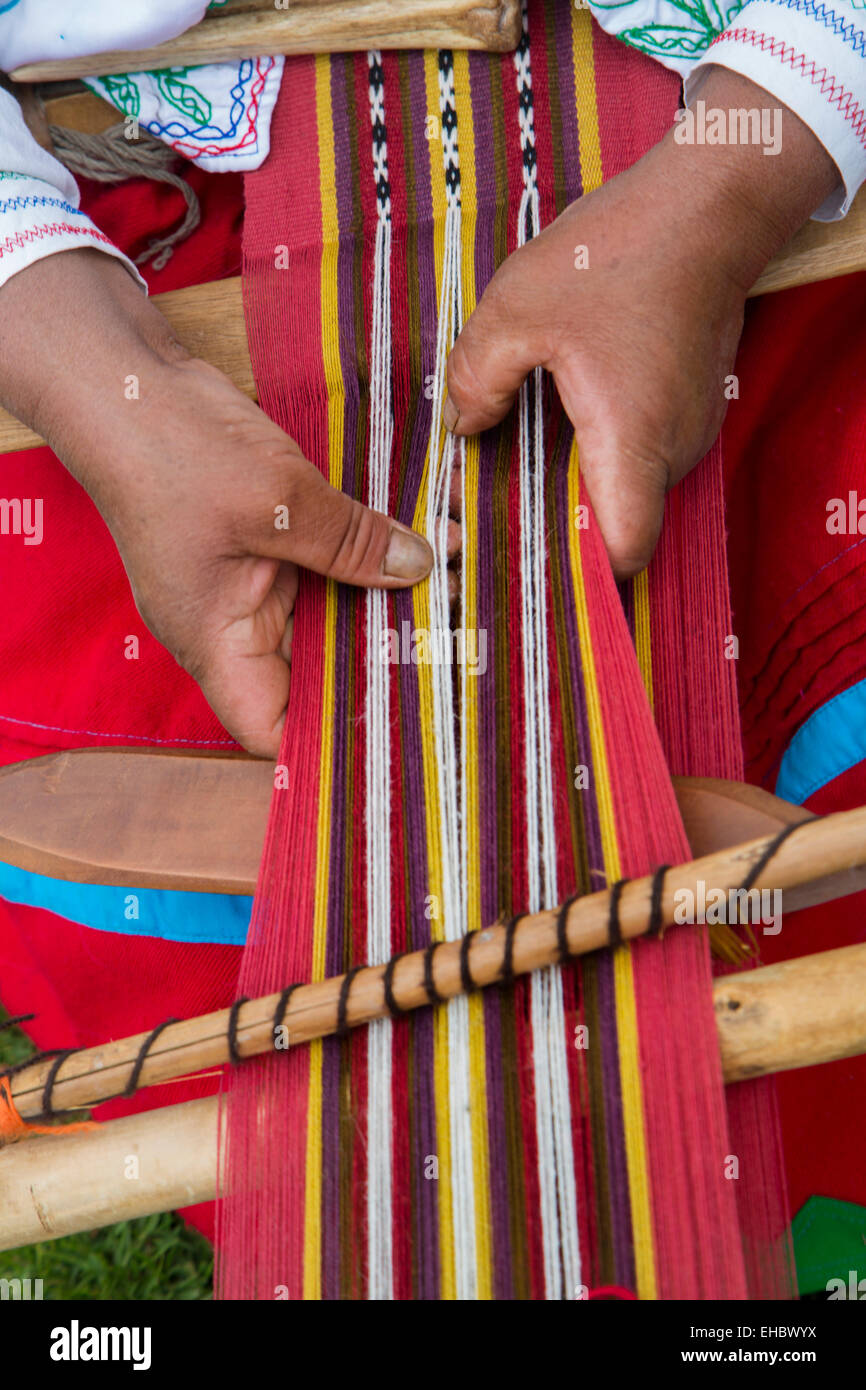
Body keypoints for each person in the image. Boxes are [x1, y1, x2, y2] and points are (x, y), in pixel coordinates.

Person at [0, 1, 864, 1270]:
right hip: (128, 256)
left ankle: (739, 1199)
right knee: (276, 909)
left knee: (768, 873)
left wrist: (736, 173)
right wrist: (90, 372)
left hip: (732, 158)